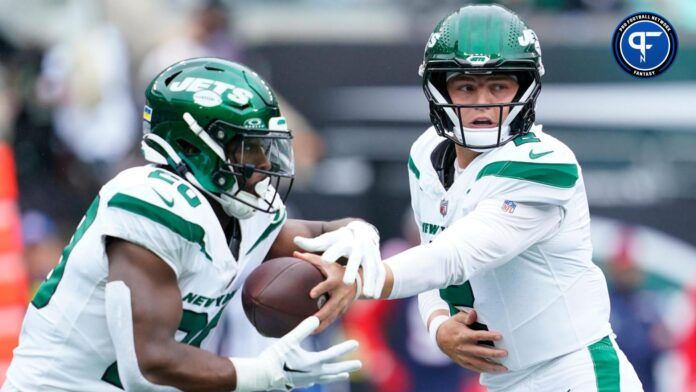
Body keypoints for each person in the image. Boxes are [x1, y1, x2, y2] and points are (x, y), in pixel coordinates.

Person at [297, 5, 645, 391]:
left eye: (498, 86)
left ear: (525, 88)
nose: (482, 102)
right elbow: (433, 254)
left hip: (573, 373)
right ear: (439, 88)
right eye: (466, 86)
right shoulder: (426, 155)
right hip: (502, 380)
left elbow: (456, 256)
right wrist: (438, 325)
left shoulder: (545, 164)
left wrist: (360, 280)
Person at [3, 58, 381, 392]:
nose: (264, 163)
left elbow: (319, 235)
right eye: (248, 146)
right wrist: (259, 374)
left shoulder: (238, 207)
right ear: (192, 146)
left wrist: (360, 235)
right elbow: (148, 365)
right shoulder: (150, 202)